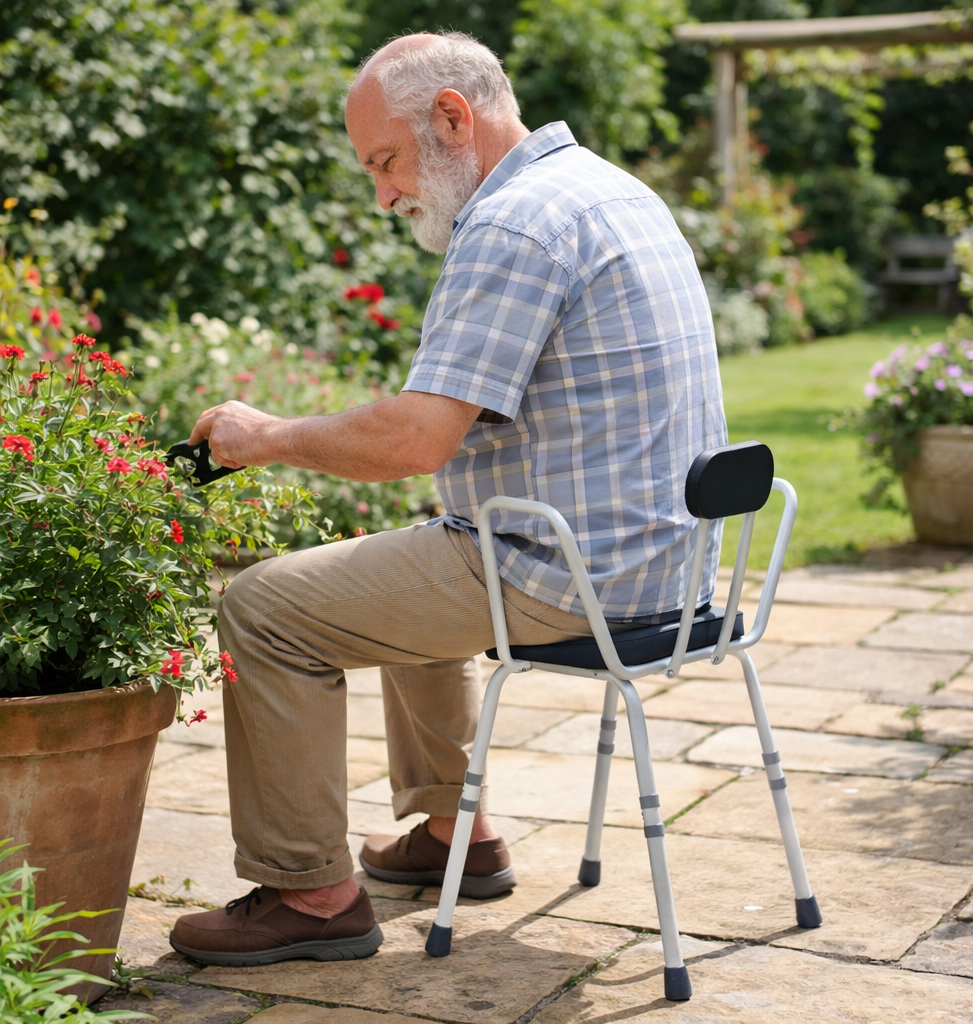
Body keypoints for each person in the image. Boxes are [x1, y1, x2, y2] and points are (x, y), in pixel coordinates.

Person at [169, 29, 727, 967]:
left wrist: (266, 437)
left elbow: (415, 439)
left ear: (454, 118)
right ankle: (454, 835)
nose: (383, 194)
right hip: (672, 565)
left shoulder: (515, 222)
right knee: (422, 549)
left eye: (384, 161)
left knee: (264, 609)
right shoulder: (609, 188)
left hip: (575, 575)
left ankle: (310, 896)